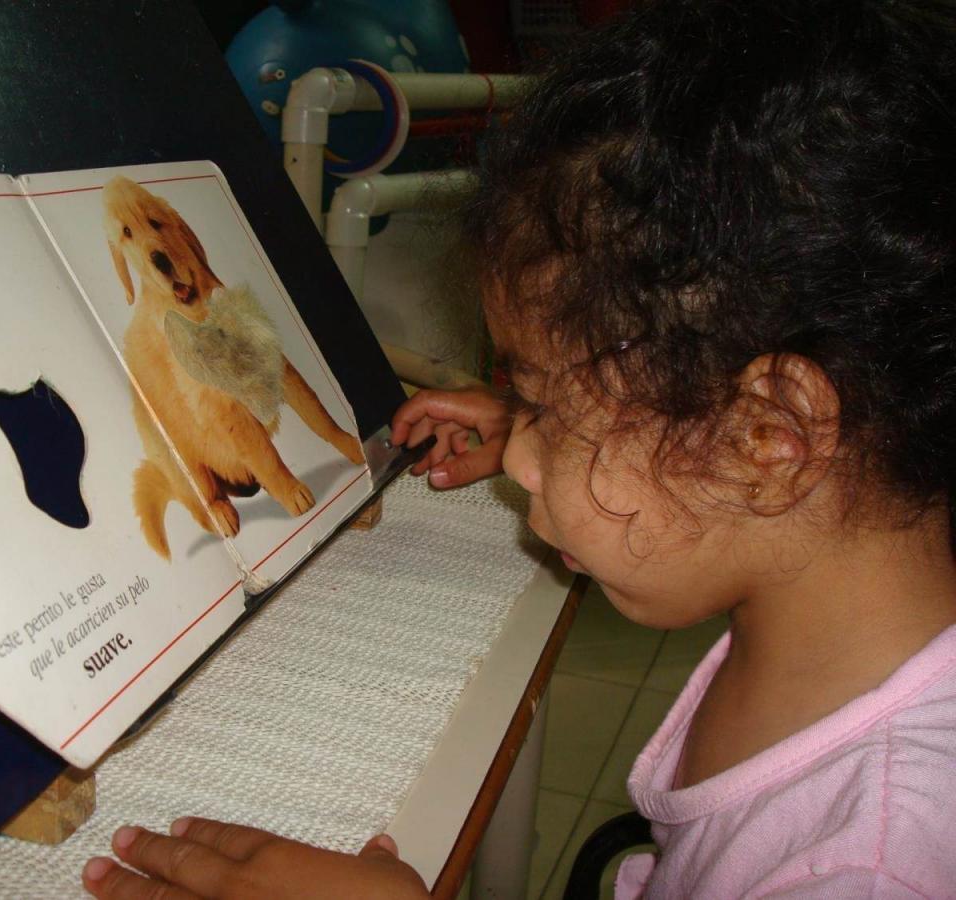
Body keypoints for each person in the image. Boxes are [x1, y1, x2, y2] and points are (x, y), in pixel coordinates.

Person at [82, 0, 956, 895]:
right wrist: (541, 420)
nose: (524, 459)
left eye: (546, 408)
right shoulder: (837, 613)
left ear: (765, 441)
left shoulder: (878, 863)